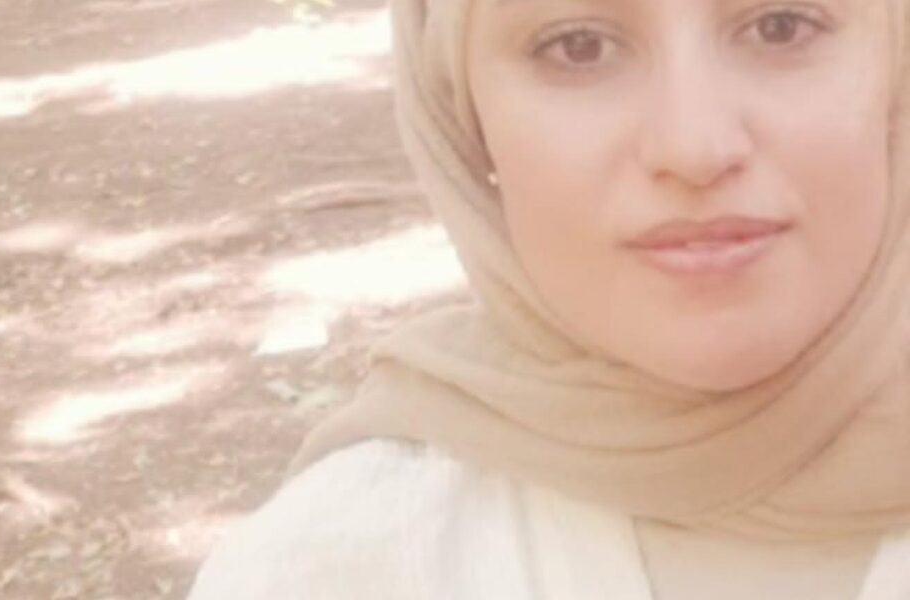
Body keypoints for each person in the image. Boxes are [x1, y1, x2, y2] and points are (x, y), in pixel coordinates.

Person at [188, 0, 910, 598]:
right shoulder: (335, 564)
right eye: (578, 46)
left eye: (781, 27)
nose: (694, 146)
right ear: (462, 111)